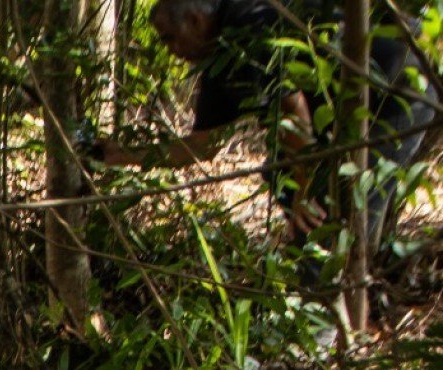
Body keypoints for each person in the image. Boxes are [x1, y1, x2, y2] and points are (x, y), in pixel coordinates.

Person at [98, 0, 435, 254]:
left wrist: (304, 191)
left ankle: (331, 311)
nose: (171, 51)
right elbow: (201, 146)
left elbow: (294, 110)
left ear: (194, 20)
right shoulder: (220, 59)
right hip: (345, 102)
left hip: (398, 87)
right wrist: (121, 155)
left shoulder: (250, 24)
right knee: (283, 173)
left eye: (169, 38)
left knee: (334, 213)